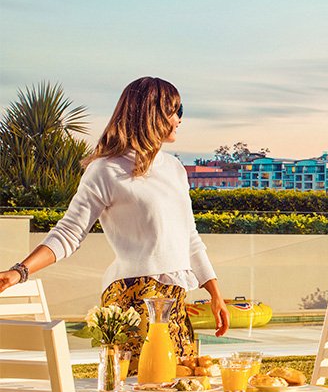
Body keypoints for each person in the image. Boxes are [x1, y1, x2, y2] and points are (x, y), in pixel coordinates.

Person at [1, 76, 230, 372]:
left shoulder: (174, 169)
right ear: (152, 114)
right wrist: (20, 272)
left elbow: (190, 238)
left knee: (180, 388)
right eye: (174, 111)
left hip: (173, 298)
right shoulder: (105, 170)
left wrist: (215, 293)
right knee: (139, 390)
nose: (178, 119)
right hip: (132, 297)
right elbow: (69, 232)